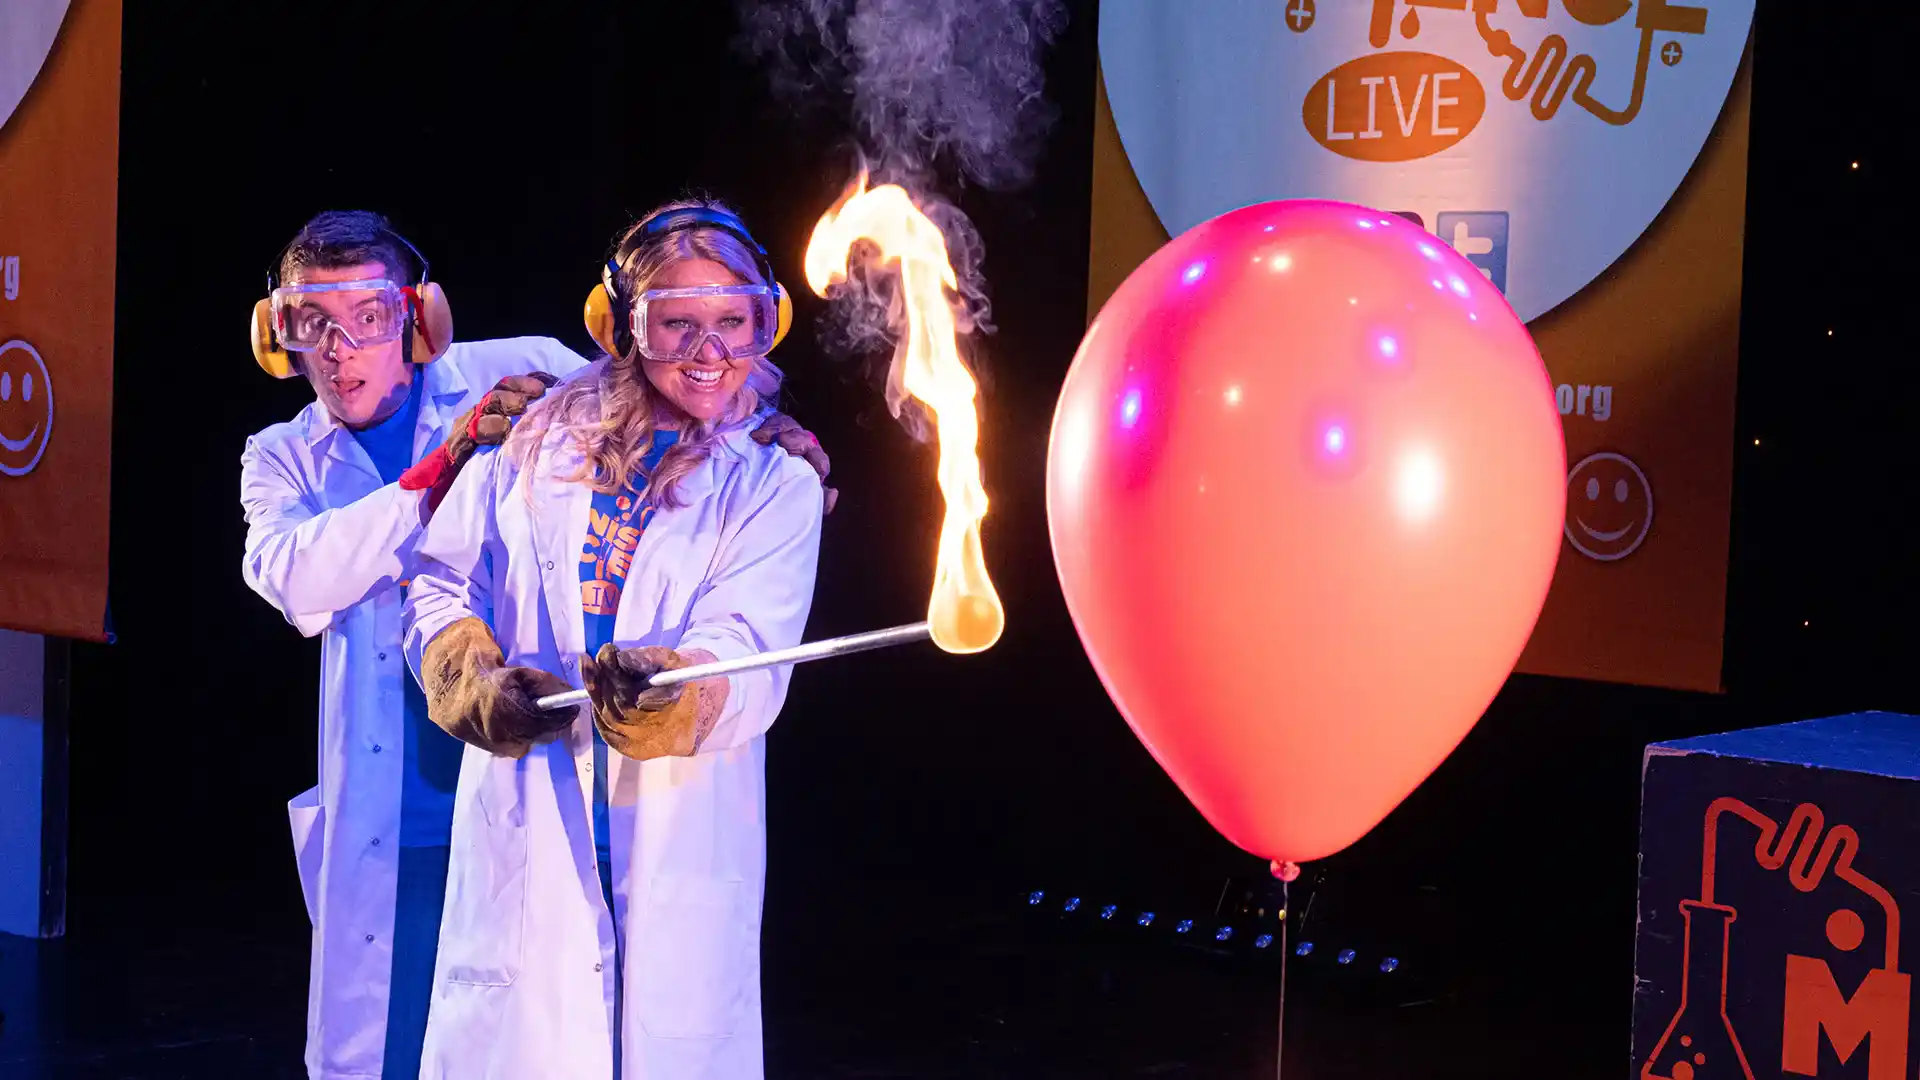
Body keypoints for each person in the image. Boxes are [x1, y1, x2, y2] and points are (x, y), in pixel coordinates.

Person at [238, 210, 830, 1080]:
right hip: (465, 806)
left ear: (418, 317)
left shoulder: (534, 392)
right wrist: (461, 668)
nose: (340, 347)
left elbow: (748, 636)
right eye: (310, 323)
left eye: (368, 315)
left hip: (653, 825)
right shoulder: (313, 451)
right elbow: (350, 578)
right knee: (411, 1040)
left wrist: (685, 692)